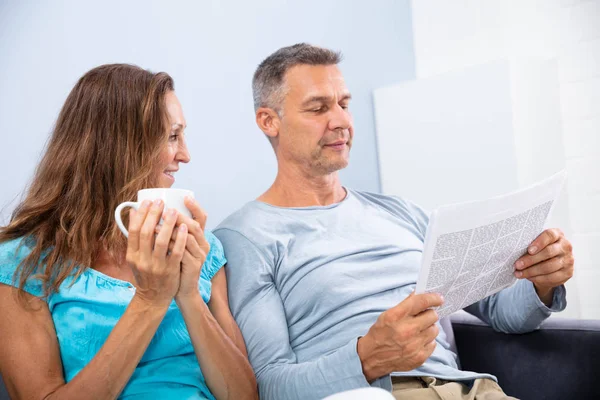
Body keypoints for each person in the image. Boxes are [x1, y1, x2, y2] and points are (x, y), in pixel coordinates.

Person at [213, 44, 575, 400]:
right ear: (268, 121)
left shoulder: (400, 212)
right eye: (318, 108)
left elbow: (504, 314)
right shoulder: (245, 237)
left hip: (474, 389)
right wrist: (366, 358)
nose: (340, 121)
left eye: (343, 104)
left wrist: (542, 280)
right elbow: (269, 386)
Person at [0, 64, 258, 400]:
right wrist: (151, 300)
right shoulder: (23, 263)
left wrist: (189, 294)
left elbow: (244, 396)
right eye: (172, 136)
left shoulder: (202, 250)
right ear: (120, 148)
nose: (185, 155)